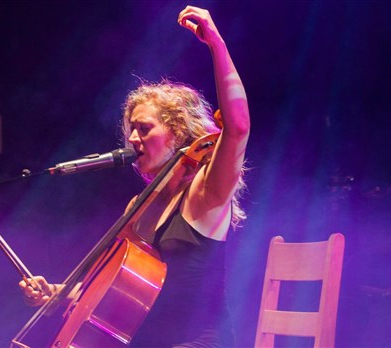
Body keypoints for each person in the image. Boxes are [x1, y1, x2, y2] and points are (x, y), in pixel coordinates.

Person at [20, 6, 250, 347]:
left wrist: (216, 44)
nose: (132, 139)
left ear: (177, 133)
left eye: (144, 129)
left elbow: (238, 127)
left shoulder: (205, 193)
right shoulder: (139, 207)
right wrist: (56, 292)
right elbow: (107, 289)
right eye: (131, 130)